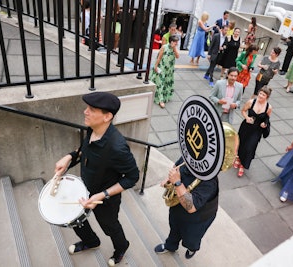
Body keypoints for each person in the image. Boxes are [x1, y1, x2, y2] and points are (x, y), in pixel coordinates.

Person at [54, 92, 139, 266]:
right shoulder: (91, 129)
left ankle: (122, 247)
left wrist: (102, 195)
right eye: (87, 108)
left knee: (110, 227)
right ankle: (91, 242)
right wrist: (70, 157)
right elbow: (87, 149)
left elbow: (133, 177)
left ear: (107, 117)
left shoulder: (118, 147)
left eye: (92, 109)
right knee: (76, 220)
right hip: (84, 188)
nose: (85, 112)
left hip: (105, 199)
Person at [154, 157, 219, 260]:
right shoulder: (190, 156)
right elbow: (177, 166)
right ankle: (170, 246)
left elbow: (190, 206)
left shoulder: (209, 181)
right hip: (177, 208)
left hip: (197, 218)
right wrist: (169, 178)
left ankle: (192, 249)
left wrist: (177, 182)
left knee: (191, 240)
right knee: (174, 229)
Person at [233, 86, 272, 177]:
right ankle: (238, 158)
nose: (261, 96)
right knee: (242, 144)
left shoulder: (268, 107)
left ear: (267, 97)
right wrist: (247, 117)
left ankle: (243, 165)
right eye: (260, 93)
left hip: (257, 130)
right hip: (246, 126)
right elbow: (243, 111)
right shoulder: (251, 102)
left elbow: (267, 119)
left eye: (263, 95)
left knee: (250, 147)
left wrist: (264, 124)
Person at [149, 35, 180, 108]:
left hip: (169, 69)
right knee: (161, 83)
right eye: (176, 42)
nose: (177, 44)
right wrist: (155, 66)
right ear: (172, 42)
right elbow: (159, 57)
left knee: (166, 82)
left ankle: (164, 96)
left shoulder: (174, 49)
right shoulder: (164, 47)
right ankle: (160, 100)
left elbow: (178, 56)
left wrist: (174, 48)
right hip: (162, 67)